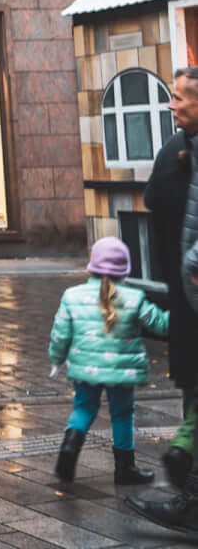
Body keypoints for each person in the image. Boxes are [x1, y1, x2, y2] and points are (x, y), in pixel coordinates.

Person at [126, 66, 198, 533]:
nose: (172, 105)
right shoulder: (180, 147)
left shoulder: (179, 150)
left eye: (180, 98)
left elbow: (156, 201)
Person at [48, 236, 168, 485]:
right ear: (124, 269)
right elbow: (160, 324)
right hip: (120, 372)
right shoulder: (134, 298)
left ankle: (69, 450)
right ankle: (125, 469)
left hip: (85, 369)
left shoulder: (72, 295)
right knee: (122, 414)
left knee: (83, 408)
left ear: (92, 264)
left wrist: (57, 359)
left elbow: (60, 333)